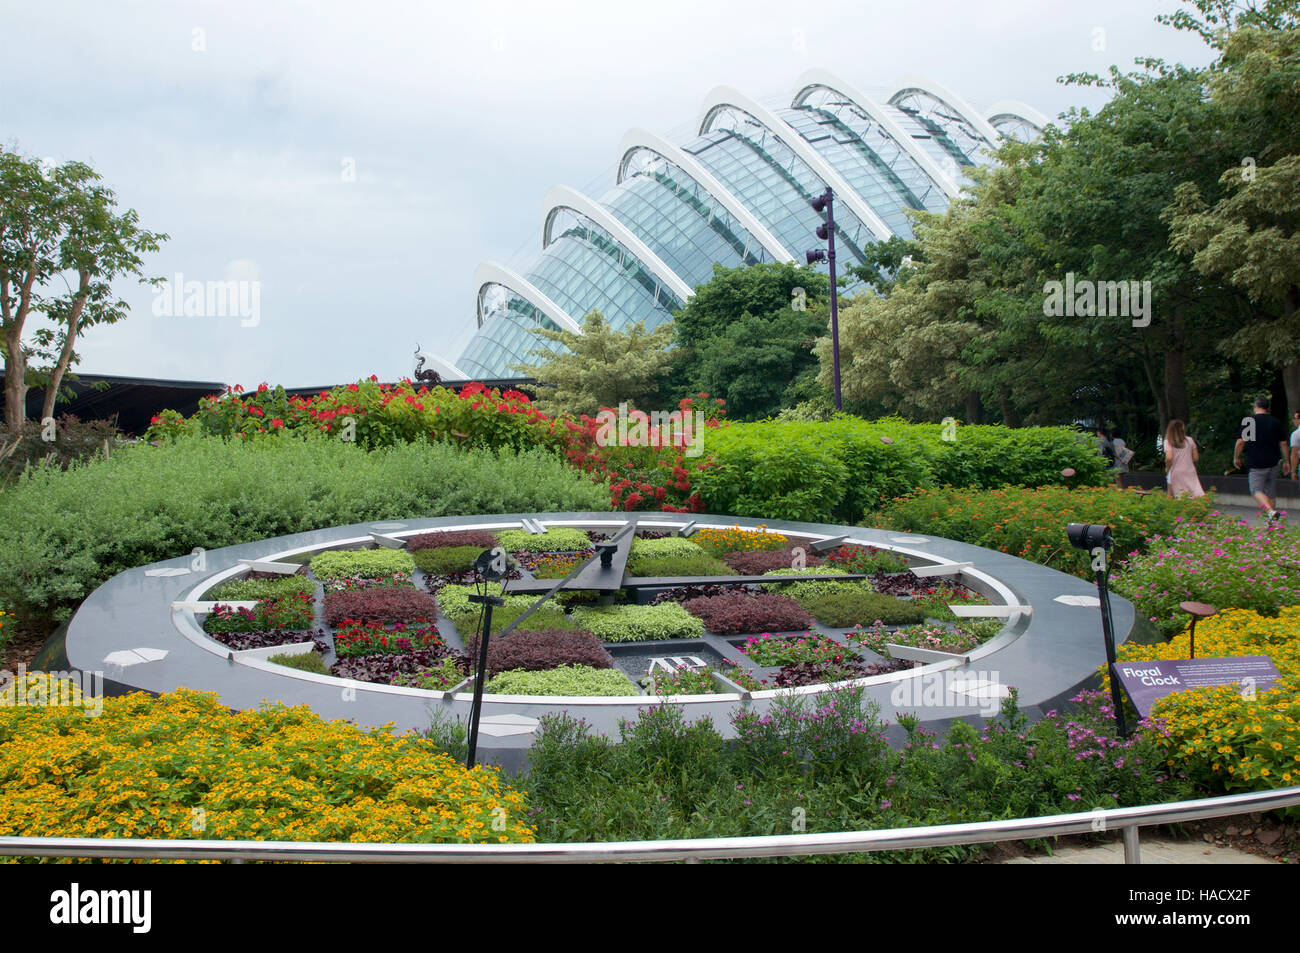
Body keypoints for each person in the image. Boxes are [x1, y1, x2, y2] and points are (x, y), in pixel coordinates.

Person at [1233, 396, 1292, 522]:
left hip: (1256, 461)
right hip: (1273, 462)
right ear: (1267, 408)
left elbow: (1241, 441)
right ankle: (1272, 523)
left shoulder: (1250, 421)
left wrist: (1236, 457)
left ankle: (1271, 512)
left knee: (1256, 490)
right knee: (1270, 491)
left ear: (1255, 406)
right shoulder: (1275, 422)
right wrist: (1287, 461)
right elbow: (1283, 444)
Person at [1164, 419, 1204, 499]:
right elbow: (1196, 458)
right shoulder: (1190, 440)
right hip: (1190, 470)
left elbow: (1169, 457)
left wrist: (1167, 468)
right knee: (1194, 493)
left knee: (1179, 495)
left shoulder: (1168, 441)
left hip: (1176, 471)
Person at [1291, 409, 1300, 483]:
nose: (1293, 420)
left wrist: (1293, 471)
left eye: (1294, 418)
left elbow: (1294, 454)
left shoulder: (1296, 434)